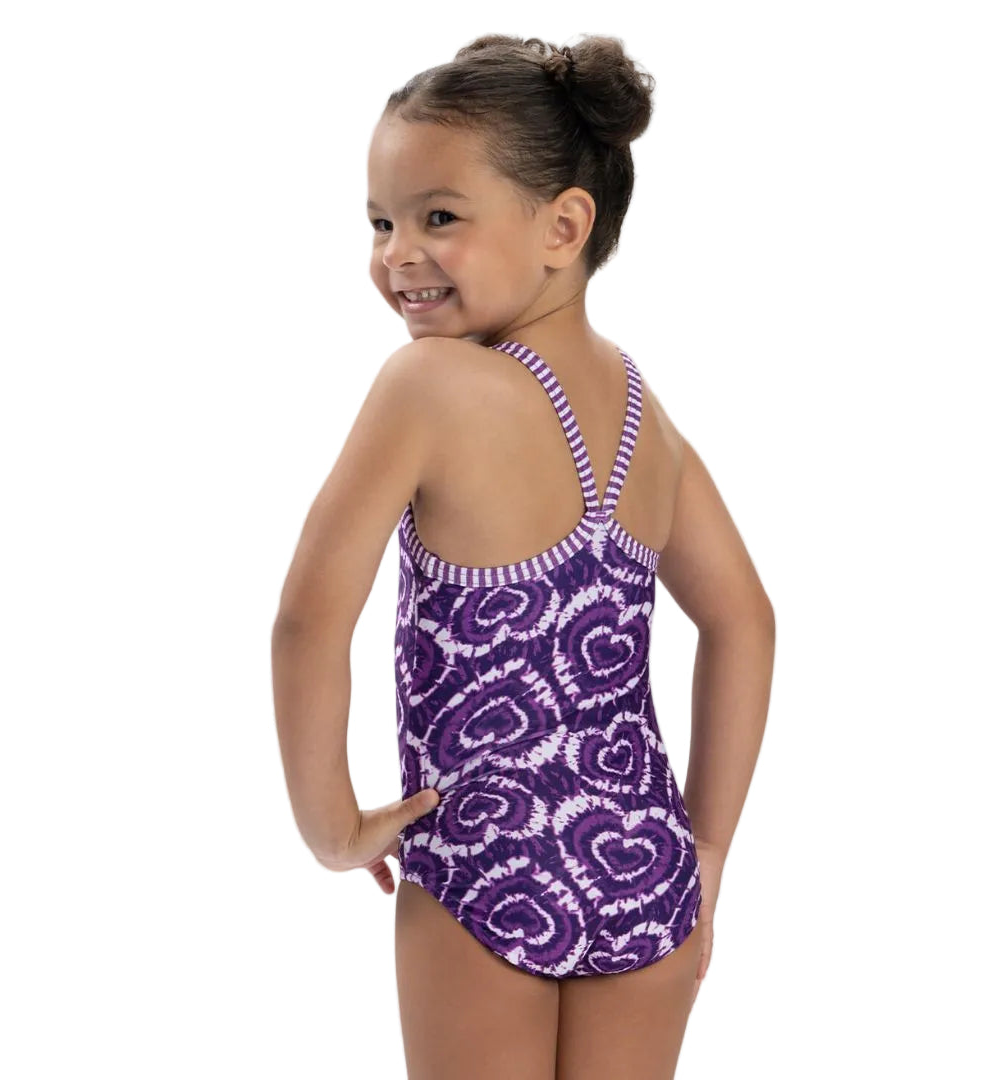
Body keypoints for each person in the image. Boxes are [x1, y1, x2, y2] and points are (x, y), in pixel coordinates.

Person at [272, 33, 776, 1080]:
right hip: (647, 868)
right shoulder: (642, 415)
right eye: (380, 222)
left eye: (438, 218)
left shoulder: (427, 386)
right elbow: (745, 621)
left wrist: (332, 828)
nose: (395, 254)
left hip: (484, 855)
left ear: (564, 226)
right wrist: (709, 846)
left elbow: (309, 619)